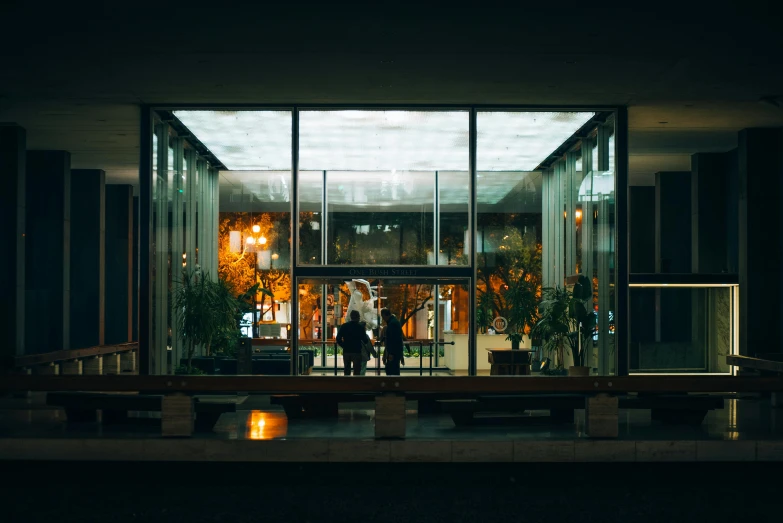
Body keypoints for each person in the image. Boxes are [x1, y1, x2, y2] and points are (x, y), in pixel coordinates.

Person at [336, 309, 369, 376]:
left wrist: (344, 345)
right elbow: (365, 340)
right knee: (357, 370)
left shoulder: (344, 326)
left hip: (347, 351)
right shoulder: (360, 327)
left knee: (347, 370)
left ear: (351, 317)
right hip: (357, 351)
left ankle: (347, 384)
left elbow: (338, 338)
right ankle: (355, 385)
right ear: (358, 317)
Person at [380, 308, 405, 376]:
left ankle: (392, 385)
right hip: (395, 351)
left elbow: (393, 340)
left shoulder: (392, 324)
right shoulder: (394, 322)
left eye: (383, 317)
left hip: (393, 352)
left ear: (385, 315)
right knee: (394, 369)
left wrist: (390, 353)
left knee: (392, 370)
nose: (383, 319)